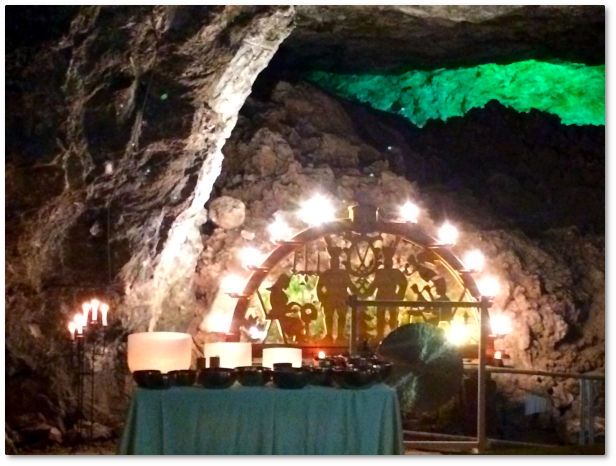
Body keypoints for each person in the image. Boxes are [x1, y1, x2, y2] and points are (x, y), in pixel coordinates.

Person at [365, 247, 408, 340]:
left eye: (389, 260)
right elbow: (375, 283)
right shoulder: (380, 272)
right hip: (381, 296)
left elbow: (403, 283)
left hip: (392, 296)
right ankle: (380, 334)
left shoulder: (396, 272)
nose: (388, 263)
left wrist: (400, 294)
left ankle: (394, 335)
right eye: (386, 261)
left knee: (393, 316)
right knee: (380, 316)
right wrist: (368, 292)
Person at [317, 247, 356, 342]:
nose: (335, 263)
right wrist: (322, 298)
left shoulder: (343, 274)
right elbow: (319, 287)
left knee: (342, 316)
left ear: (338, 262)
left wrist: (355, 293)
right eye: (333, 261)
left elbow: (350, 285)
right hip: (329, 298)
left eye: (336, 261)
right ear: (331, 262)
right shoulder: (326, 274)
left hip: (342, 298)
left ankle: (340, 335)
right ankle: (329, 334)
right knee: (328, 316)